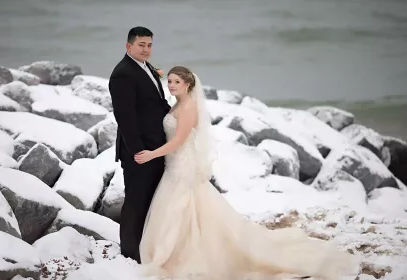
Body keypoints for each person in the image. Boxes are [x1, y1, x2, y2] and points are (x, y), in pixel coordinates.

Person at [134, 66, 359, 280]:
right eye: (170, 81)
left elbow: (180, 140)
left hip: (183, 165)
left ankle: (179, 255)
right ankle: (175, 252)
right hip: (174, 165)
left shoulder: (189, 107)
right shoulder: (176, 104)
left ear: (188, 84)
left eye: (176, 82)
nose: (171, 85)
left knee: (180, 208)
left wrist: (151, 154)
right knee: (184, 210)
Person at [108, 26, 171, 263]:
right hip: (140, 151)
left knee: (150, 199)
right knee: (135, 200)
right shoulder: (122, 74)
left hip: (156, 147)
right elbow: (125, 117)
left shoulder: (147, 68)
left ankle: (146, 246)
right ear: (128, 46)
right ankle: (130, 254)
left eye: (149, 45)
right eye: (141, 45)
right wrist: (138, 151)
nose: (146, 49)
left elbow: (157, 103)